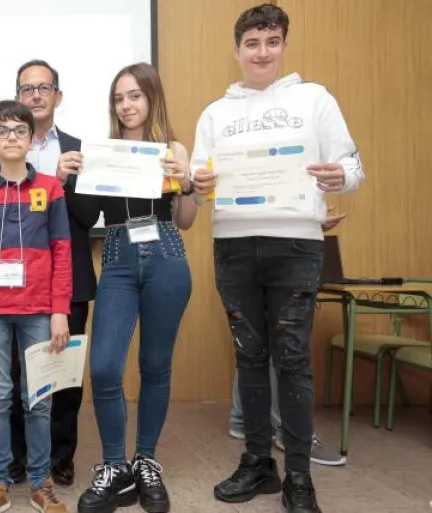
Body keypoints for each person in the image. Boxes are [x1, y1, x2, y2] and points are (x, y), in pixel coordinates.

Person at [191, 4, 364, 512]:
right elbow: (201, 182)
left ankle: (299, 478)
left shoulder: (315, 99)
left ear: (284, 44)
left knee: (291, 358)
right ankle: (257, 463)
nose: (261, 52)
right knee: (248, 353)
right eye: (251, 43)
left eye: (271, 41)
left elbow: (352, 166)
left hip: (295, 244)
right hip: (234, 245)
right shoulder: (215, 113)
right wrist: (199, 184)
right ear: (238, 49)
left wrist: (341, 178)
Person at [76, 62, 197, 513]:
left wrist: (187, 184)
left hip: (166, 253)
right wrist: (75, 177)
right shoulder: (101, 151)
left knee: (155, 364)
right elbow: (87, 218)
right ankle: (113, 465)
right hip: (118, 257)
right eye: (119, 98)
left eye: (134, 96)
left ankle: (146, 460)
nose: (126, 105)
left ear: (151, 98)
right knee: (105, 366)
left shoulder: (173, 147)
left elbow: (185, 220)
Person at [0, 59, 100, 487]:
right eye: (26, 88)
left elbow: (88, 215)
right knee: (9, 376)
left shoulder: (79, 146)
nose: (35, 95)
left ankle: (61, 456)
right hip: (6, 289)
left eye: (43, 87)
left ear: (57, 96)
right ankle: (17, 456)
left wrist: (62, 183)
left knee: (61, 375)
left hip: (65, 280)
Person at [0, 100, 72, 513]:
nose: (11, 137)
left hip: (40, 310)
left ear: (30, 139)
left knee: (38, 399)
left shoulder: (50, 188)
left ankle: (41, 484)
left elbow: (62, 252)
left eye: (19, 131)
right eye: (3, 131)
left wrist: (60, 310)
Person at [227, 207, 348, 468]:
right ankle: (279, 431)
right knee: (266, 345)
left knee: (257, 344)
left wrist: (306, 217)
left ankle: (242, 422)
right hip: (249, 241)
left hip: (270, 239)